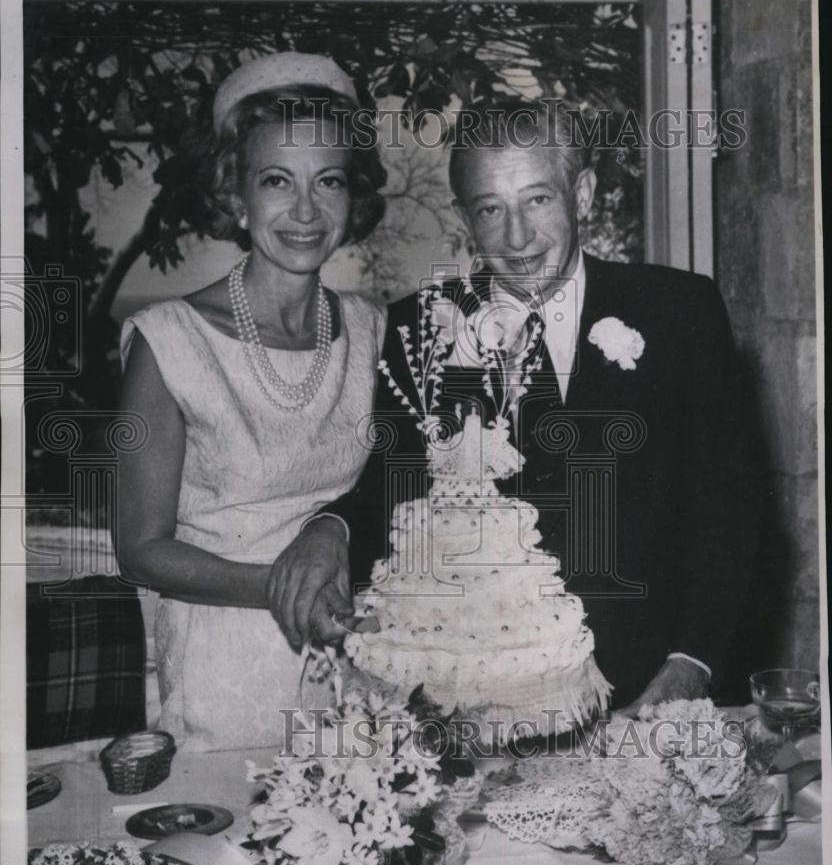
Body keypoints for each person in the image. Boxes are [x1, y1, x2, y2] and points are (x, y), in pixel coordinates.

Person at [271, 98, 762, 714]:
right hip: (480, 712)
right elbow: (391, 492)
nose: (518, 237)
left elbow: (730, 511)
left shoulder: (679, 311)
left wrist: (692, 663)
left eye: (537, 200)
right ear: (464, 219)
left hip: (652, 697)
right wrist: (331, 527)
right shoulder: (419, 329)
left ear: (580, 195)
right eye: (490, 209)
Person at [115, 53, 387, 750]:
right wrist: (285, 587)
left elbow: (393, 491)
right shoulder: (168, 341)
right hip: (225, 667)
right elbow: (141, 550)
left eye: (327, 181)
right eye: (276, 182)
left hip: (358, 653)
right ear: (235, 196)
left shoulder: (375, 328)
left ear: (352, 197)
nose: (304, 210)